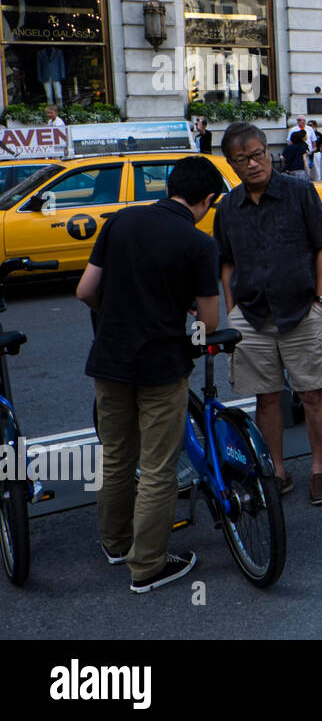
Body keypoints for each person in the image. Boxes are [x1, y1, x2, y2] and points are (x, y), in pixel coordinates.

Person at [75, 156, 224, 592]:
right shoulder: (199, 244)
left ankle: (116, 544)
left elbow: (85, 290)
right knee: (158, 467)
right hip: (161, 365)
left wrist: (119, 315)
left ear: (169, 187)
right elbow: (210, 321)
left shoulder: (121, 222)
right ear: (208, 200)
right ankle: (147, 566)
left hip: (109, 359)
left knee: (117, 456)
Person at [215, 122, 322, 506]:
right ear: (232, 165)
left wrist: (321, 302)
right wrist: (231, 309)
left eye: (257, 155)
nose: (253, 164)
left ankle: (319, 469)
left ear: (268, 152)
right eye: (242, 160)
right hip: (251, 317)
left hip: (302, 311)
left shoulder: (299, 192)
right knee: (266, 400)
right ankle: (277, 470)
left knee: (313, 395)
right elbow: (226, 263)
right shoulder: (228, 208)